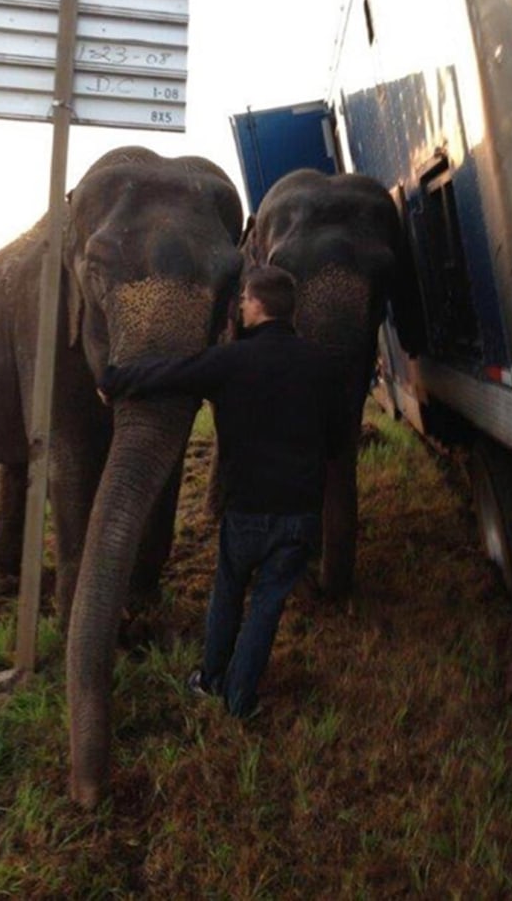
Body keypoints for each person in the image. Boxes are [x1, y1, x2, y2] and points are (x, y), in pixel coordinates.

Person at [99, 265, 347, 719]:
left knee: (229, 592)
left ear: (256, 304)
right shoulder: (319, 364)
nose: (242, 308)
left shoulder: (231, 360)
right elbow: (336, 441)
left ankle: (213, 680)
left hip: (246, 509)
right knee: (268, 605)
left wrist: (114, 381)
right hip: (299, 512)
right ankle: (240, 699)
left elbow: (171, 373)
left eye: (246, 301)